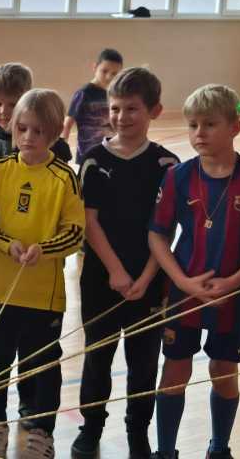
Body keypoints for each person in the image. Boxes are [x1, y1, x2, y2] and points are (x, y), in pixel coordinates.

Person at [71, 67, 178, 459]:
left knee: (144, 364)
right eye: (115, 108)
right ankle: (91, 428)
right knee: (97, 358)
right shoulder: (94, 160)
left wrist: (147, 276)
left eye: (132, 108)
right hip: (101, 280)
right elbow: (90, 222)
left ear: (155, 111)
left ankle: (138, 433)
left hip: (149, 282)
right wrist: (116, 271)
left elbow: (165, 228)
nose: (121, 117)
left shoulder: (167, 165)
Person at [0, 89, 85, 459]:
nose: (28, 138)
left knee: (42, 365)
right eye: (22, 129)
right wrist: (7, 244)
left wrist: (44, 249)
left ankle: (41, 431)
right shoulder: (1, 170)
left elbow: (75, 231)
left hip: (43, 295)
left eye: (38, 131)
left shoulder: (63, 177)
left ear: (53, 133)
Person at [148, 84, 240, 459]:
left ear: (235, 127)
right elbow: (157, 235)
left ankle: (219, 448)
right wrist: (182, 281)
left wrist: (232, 282)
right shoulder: (178, 176)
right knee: (175, 371)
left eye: (209, 124)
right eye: (192, 125)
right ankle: (165, 452)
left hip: (232, 296)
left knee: (224, 370)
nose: (199, 133)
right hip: (183, 291)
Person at [62, 48, 124, 164]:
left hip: (111, 152)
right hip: (88, 154)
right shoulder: (84, 93)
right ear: (95, 67)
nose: (109, 77)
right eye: (104, 71)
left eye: (114, 74)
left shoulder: (115, 94)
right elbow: (68, 123)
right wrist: (62, 148)